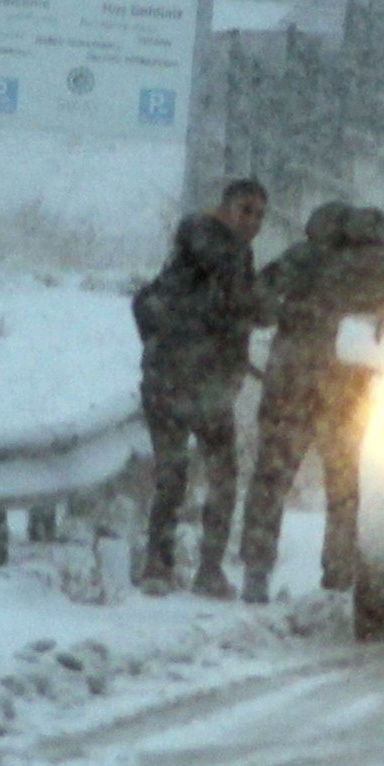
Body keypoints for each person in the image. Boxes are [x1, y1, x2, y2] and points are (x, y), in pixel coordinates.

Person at [238, 201, 384, 598]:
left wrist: (290, 316)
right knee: (347, 486)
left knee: (271, 477)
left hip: (290, 384)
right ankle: (339, 575)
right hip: (353, 394)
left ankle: (256, 570)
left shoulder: (303, 257)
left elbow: (257, 303)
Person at [131, 179, 269, 594]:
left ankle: (159, 566)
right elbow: (243, 308)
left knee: (173, 476)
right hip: (199, 385)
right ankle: (206, 570)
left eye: (260, 215)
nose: (253, 222)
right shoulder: (223, 251)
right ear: (225, 209)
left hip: (168, 381)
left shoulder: (190, 250)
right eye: (246, 211)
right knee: (220, 476)